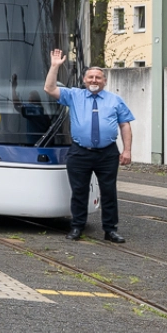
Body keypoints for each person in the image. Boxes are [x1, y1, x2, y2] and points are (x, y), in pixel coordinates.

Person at [44, 48, 133, 242]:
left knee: (109, 191)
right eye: (90, 77)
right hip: (80, 152)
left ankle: (110, 230)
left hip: (107, 153)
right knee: (79, 191)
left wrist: (127, 150)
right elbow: (50, 89)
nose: (94, 80)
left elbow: (125, 124)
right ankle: (77, 227)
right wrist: (54, 67)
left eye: (98, 78)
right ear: (84, 80)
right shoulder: (74, 95)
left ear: (104, 81)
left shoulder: (115, 100)